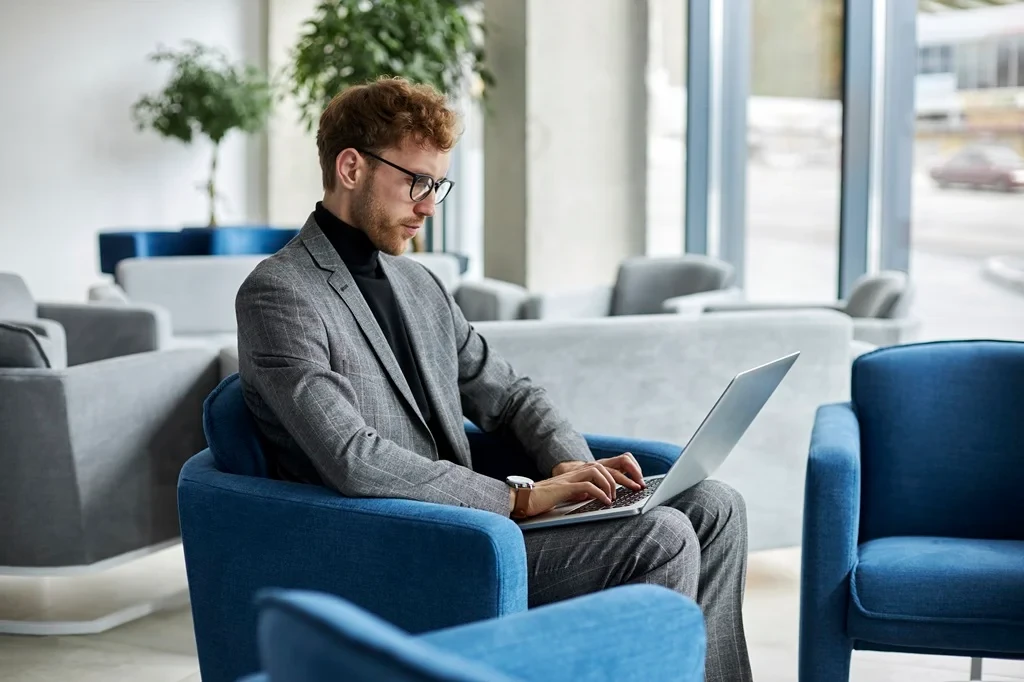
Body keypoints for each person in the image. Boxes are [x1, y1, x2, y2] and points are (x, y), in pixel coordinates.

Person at [235, 77, 752, 682]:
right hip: (411, 546)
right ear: (351, 167)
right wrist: (521, 500)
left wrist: (573, 471)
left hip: (480, 525)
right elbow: (353, 457)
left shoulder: (419, 285)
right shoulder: (280, 294)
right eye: (416, 182)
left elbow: (510, 395)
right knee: (659, 538)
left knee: (716, 506)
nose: (429, 206)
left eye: (437, 186)